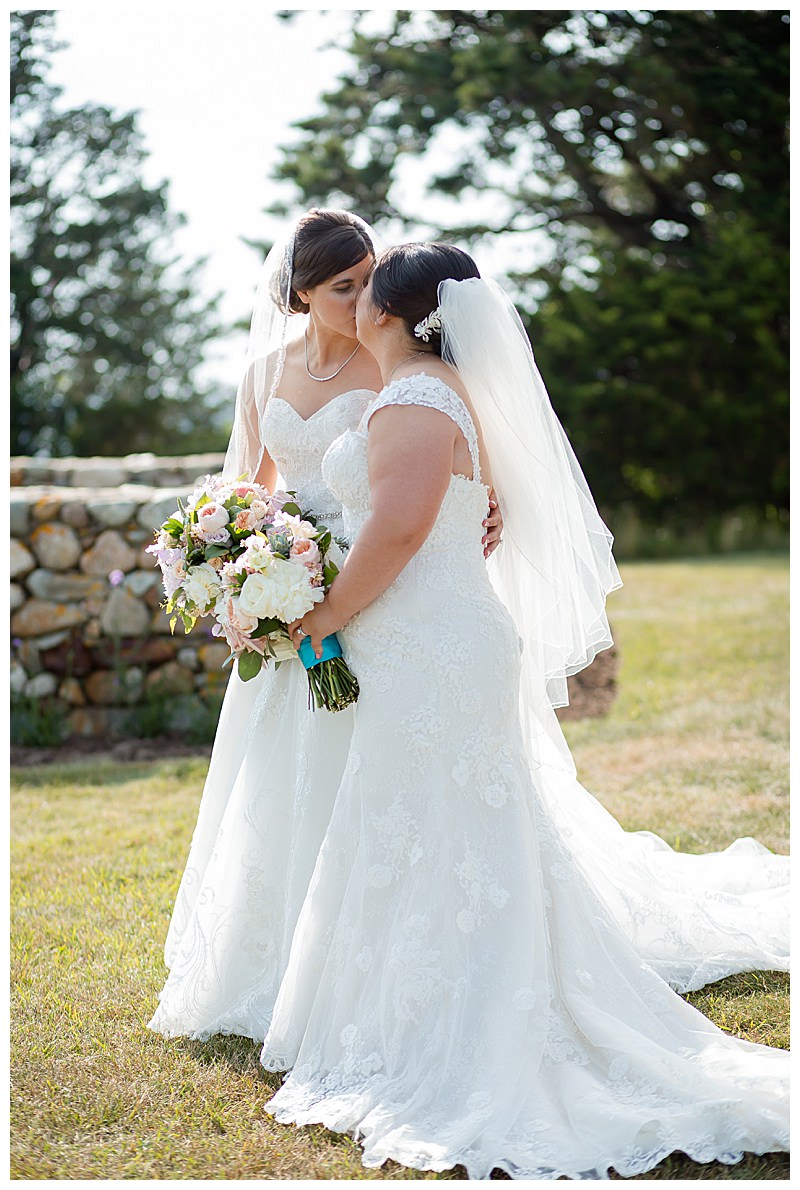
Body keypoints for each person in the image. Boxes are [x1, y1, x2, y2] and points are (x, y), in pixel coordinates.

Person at [258, 242, 789, 1178]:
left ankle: (482, 1018)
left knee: (450, 830)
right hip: (417, 646)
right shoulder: (418, 391)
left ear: (393, 311)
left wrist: (321, 616)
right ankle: (421, 1002)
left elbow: (399, 527)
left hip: (431, 650)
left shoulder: (415, 397)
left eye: (370, 284)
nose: (358, 292)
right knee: (422, 830)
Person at [148, 212, 503, 1040]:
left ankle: (354, 954)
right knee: (281, 772)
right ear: (301, 292)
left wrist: (493, 505)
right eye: (342, 286)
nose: (362, 297)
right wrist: (234, 563)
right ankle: (278, 959)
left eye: (368, 280)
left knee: (360, 770)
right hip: (285, 588)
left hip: (362, 586)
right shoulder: (265, 372)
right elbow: (246, 483)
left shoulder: (397, 365)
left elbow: (443, 462)